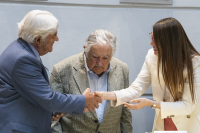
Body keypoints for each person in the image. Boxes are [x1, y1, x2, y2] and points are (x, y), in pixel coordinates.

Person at [0, 10, 101, 133]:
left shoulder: (19, 49)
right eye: (54, 34)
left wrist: (50, 112)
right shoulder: (23, 59)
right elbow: (49, 98)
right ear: (38, 40)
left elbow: (32, 95)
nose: (57, 39)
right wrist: (83, 101)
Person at [95, 18, 200, 133]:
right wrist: (106, 95)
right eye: (151, 37)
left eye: (155, 39)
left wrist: (151, 103)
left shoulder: (195, 64)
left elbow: (187, 106)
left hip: (188, 126)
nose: (151, 43)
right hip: (162, 125)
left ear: (168, 42)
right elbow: (136, 88)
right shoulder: (151, 56)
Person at [50, 29, 132, 133]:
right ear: (85, 50)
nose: (100, 63)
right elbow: (52, 115)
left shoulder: (122, 69)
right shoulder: (62, 70)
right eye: (95, 57)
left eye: (106, 58)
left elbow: (125, 112)